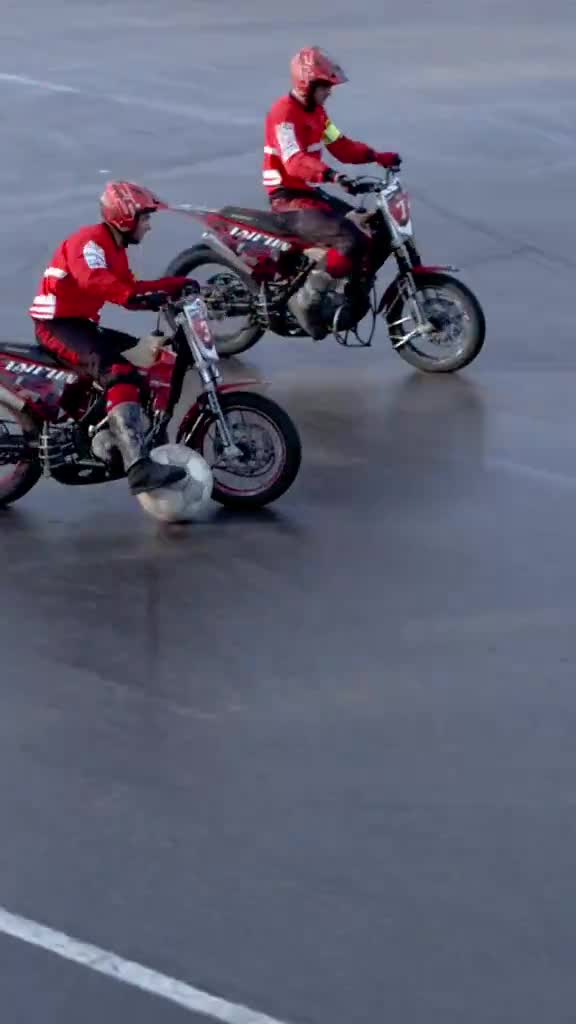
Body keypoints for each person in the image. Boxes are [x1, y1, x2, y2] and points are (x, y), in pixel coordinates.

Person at [29, 180, 190, 494]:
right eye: (145, 218)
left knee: (144, 359)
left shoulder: (114, 249)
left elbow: (130, 290)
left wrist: (175, 286)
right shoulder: (90, 242)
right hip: (57, 324)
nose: (149, 226)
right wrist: (134, 296)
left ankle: (118, 432)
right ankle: (138, 468)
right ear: (125, 217)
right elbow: (94, 279)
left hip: (81, 324)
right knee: (119, 372)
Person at [263, 46, 401, 337]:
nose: (330, 92)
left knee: (374, 227)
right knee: (349, 240)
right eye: (325, 86)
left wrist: (375, 156)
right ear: (308, 84)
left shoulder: (318, 114)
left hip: (310, 194)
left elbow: (340, 145)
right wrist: (330, 175)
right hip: (289, 199)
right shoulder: (283, 114)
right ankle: (307, 301)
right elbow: (294, 161)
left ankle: (349, 293)